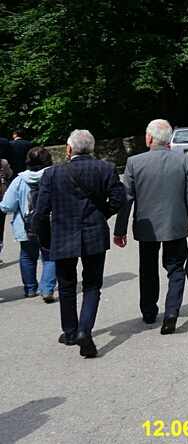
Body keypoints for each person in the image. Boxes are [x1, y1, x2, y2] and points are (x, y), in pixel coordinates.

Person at [34, 129, 126, 358]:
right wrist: (101, 215)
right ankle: (85, 329)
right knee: (92, 285)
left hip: (62, 235)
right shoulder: (106, 169)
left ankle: (70, 332)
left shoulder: (52, 174)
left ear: (68, 150)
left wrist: (45, 240)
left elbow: (40, 213)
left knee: (66, 286)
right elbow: (119, 199)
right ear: (92, 148)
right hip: (95, 233)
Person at [114, 119, 188, 336]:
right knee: (176, 268)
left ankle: (149, 312)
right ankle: (171, 312)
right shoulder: (184, 162)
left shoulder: (134, 162)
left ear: (150, 138)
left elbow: (126, 199)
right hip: (175, 224)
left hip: (147, 227)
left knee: (148, 269)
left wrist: (119, 230)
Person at [1, 147, 57, 301]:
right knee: (50, 257)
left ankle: (30, 288)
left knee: (27, 256)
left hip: (26, 226)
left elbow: (6, 206)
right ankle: (47, 289)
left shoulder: (19, 180)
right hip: (51, 224)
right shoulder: (55, 177)